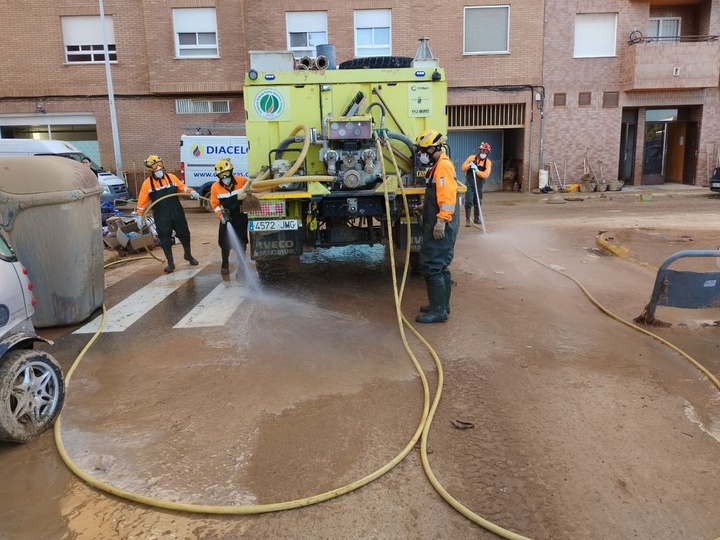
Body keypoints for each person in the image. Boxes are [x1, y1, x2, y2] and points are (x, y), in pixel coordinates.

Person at [414, 129, 460, 323]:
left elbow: (448, 196)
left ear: (433, 148)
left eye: (423, 151)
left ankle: (438, 311)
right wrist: (425, 207)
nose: (420, 155)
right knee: (441, 266)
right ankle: (441, 304)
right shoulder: (437, 166)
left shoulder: (443, 166)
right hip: (438, 219)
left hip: (441, 224)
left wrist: (441, 221)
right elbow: (439, 195)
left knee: (432, 266)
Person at [135, 154, 200, 273]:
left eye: (161, 168)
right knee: (164, 238)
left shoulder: (171, 178)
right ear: (151, 171)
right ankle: (170, 263)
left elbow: (183, 188)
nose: (160, 171)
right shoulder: (147, 184)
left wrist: (192, 191)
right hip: (161, 215)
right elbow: (142, 201)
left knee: (184, 234)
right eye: (157, 169)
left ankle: (188, 255)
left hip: (176, 212)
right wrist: (140, 216)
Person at [209, 158, 249, 275]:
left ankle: (242, 267)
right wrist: (221, 216)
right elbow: (215, 204)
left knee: (241, 243)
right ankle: (225, 264)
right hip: (226, 217)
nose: (224, 177)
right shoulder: (215, 187)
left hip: (240, 217)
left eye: (226, 174)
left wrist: (246, 211)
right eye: (221, 175)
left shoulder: (242, 181)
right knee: (224, 243)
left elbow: (249, 196)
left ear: (231, 171)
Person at [460, 142, 492, 227]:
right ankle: (467, 220)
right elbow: (463, 168)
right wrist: (469, 166)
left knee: (478, 201)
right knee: (468, 201)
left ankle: (477, 218)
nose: (484, 153)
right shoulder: (471, 158)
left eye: (486, 152)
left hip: (479, 184)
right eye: (482, 151)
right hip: (469, 183)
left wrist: (477, 171)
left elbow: (486, 174)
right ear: (479, 150)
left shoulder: (487, 162)